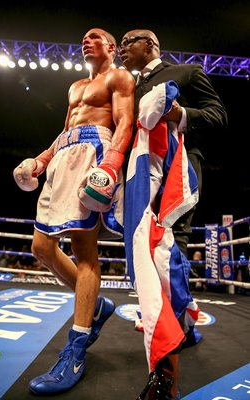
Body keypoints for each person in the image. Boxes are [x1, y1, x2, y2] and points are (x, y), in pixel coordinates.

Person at [13, 27, 135, 395]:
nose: (86, 40)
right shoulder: (75, 85)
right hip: (63, 157)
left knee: (84, 253)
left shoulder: (119, 76)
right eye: (84, 37)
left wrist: (111, 165)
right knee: (41, 247)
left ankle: (76, 348)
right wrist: (40, 160)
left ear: (111, 46)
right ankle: (96, 306)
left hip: (94, 154)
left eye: (94, 36)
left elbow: (125, 122)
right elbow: (64, 130)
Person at [119, 29, 228, 400]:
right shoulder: (126, 86)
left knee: (167, 251)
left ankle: (165, 377)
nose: (120, 47)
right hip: (135, 176)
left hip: (175, 171)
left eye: (127, 40)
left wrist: (179, 113)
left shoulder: (185, 72)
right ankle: (182, 326)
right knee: (142, 255)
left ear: (149, 44)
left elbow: (218, 116)